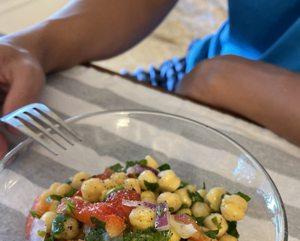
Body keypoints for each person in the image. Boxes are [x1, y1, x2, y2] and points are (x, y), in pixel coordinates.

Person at [0, 0, 299, 148]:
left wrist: (221, 78)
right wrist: (34, 46)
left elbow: (217, 80)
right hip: (192, 75)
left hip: (213, 80)